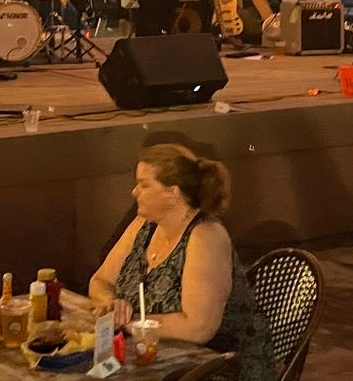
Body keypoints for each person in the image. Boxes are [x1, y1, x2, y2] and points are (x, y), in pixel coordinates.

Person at [89, 144, 276, 380]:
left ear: (172, 193)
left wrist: (131, 324)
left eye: (144, 184)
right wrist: (111, 305)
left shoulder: (206, 236)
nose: (134, 192)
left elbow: (198, 328)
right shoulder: (142, 224)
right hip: (155, 360)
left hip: (219, 367)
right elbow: (100, 280)